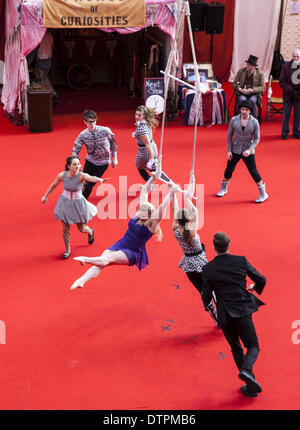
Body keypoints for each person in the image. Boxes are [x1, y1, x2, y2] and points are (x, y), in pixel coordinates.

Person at [69, 167, 179, 290]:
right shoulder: (139, 214)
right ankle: (81, 280)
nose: (139, 211)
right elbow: (145, 192)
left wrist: (171, 193)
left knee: (106, 259)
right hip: (121, 244)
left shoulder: (152, 224)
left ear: (148, 215)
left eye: (142, 211)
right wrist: (152, 178)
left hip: (132, 252)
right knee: (102, 261)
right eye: (140, 209)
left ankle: (85, 259)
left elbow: (162, 208)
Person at [201, 232, 266, 397]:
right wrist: (253, 288)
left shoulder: (208, 269)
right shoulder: (241, 261)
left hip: (224, 313)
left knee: (236, 348)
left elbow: (206, 297)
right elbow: (261, 279)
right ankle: (246, 371)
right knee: (253, 346)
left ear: (214, 248)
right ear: (229, 244)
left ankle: (250, 385)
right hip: (243, 309)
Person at [171, 171, 218, 326]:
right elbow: (196, 212)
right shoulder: (191, 232)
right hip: (201, 262)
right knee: (212, 287)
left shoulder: (176, 230)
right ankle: (220, 305)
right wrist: (189, 189)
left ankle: (215, 316)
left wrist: (173, 195)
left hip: (188, 264)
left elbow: (175, 212)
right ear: (188, 220)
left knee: (202, 292)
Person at [42, 156, 105, 259]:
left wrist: (100, 180)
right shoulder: (62, 176)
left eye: (78, 164)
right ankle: (67, 250)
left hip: (78, 204)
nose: (77, 166)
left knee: (81, 228)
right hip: (65, 203)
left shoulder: (81, 176)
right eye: (74, 164)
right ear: (69, 166)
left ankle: (90, 231)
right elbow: (53, 185)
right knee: (65, 228)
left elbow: (91, 178)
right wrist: (45, 196)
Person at [216, 99, 268, 203]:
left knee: (253, 171)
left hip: (247, 150)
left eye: (246, 110)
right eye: (242, 109)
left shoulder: (255, 122)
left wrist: (250, 150)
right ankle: (223, 189)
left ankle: (263, 193)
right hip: (235, 148)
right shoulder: (233, 120)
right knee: (229, 170)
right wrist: (229, 150)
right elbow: (229, 136)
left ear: (250, 111)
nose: (244, 111)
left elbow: (257, 138)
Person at [72, 110, 118, 200]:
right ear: (85, 121)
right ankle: (77, 199)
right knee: (82, 182)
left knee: (89, 185)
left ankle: (81, 203)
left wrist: (115, 158)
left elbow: (113, 143)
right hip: (90, 161)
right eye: (89, 122)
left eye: (94, 121)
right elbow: (75, 150)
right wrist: (76, 163)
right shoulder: (83, 135)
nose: (92, 124)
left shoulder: (105, 131)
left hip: (103, 163)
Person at [133, 105, 172, 184]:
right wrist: (136, 133)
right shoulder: (147, 122)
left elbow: (147, 144)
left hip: (145, 152)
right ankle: (169, 181)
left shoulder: (141, 128)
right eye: (136, 114)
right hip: (153, 147)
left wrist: (151, 159)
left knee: (139, 166)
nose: (137, 117)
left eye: (139, 115)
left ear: (144, 116)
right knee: (155, 169)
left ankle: (149, 183)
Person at [232, 55, 266, 119]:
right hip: (242, 93)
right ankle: (238, 119)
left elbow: (263, 87)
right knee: (242, 99)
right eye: (247, 64)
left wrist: (253, 90)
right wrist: (240, 89)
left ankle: (253, 120)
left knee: (252, 101)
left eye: (249, 65)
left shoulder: (260, 73)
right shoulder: (241, 71)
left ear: (253, 66)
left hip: (254, 94)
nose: (247, 66)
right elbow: (234, 84)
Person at [279, 48, 300, 139]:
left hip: (299, 96)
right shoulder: (286, 66)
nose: (296, 58)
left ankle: (296, 131)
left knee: (297, 115)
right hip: (288, 95)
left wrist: (298, 92)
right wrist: (291, 90)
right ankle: (284, 132)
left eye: (298, 56)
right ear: (292, 56)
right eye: (294, 56)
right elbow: (282, 81)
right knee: (286, 115)